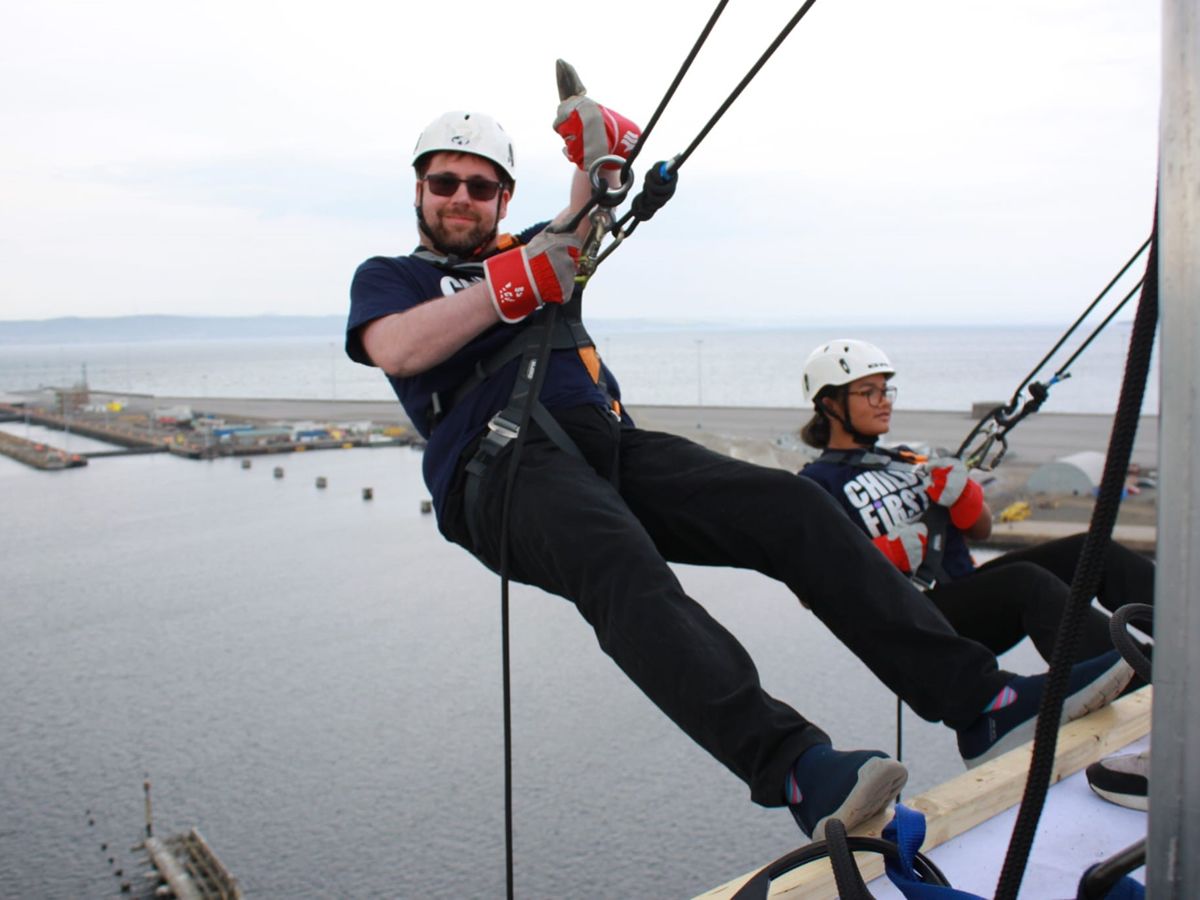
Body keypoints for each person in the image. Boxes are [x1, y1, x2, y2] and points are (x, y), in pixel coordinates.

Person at [345, 91, 1132, 843]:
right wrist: (518, 281)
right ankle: (797, 770)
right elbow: (400, 347)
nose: (461, 197)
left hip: (612, 445)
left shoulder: (533, 255)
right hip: (503, 466)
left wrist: (593, 154)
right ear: (419, 190)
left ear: (503, 199)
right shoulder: (393, 279)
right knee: (623, 569)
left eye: (480, 186)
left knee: (789, 508)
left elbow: (578, 227)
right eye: (444, 181)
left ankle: (979, 699)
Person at [796, 338, 1155, 668]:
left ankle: (1181, 633)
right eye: (868, 393)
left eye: (885, 390)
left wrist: (964, 497)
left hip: (964, 594)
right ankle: (1128, 670)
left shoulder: (905, 460)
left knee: (1092, 551)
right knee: (1025, 582)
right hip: (916, 619)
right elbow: (811, 590)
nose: (884, 401)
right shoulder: (816, 483)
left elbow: (981, 530)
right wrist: (882, 556)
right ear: (830, 405)